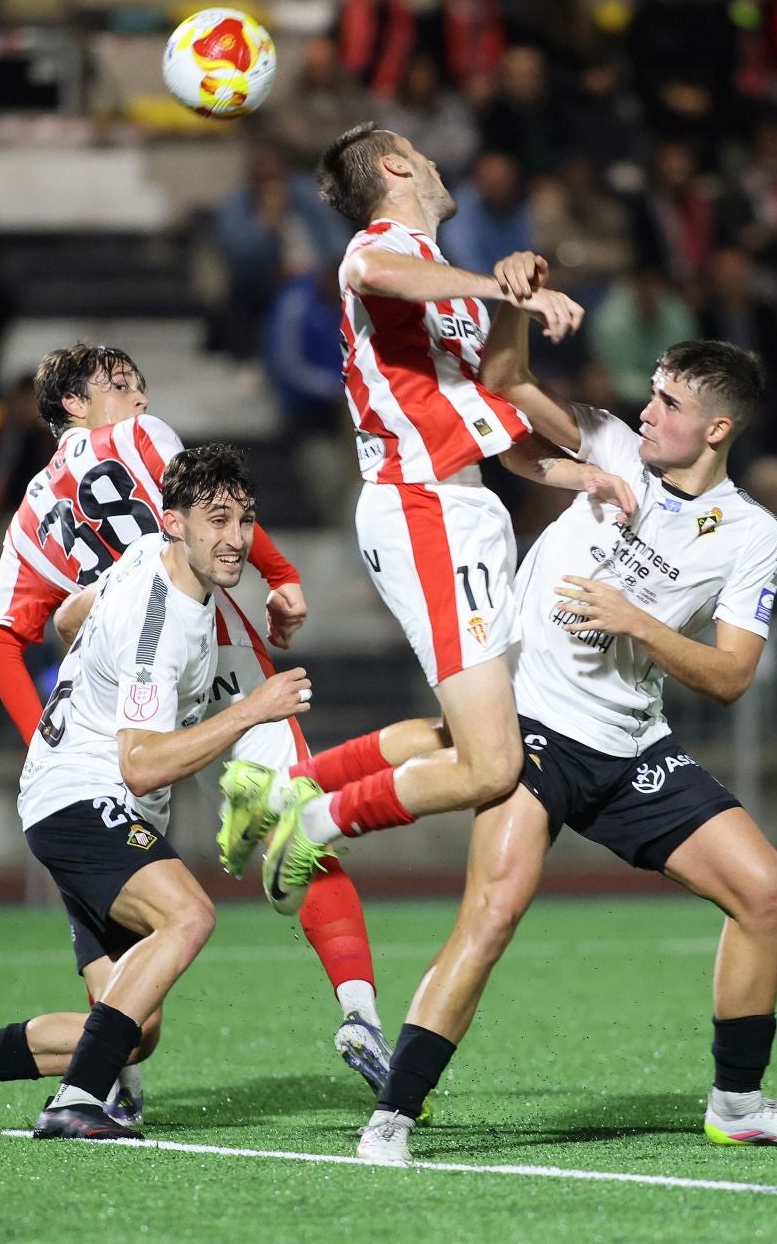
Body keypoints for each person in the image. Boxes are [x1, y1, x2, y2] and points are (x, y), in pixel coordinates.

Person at [0, 345, 398, 1137]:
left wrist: (44, 743)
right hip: (181, 674)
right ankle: (355, 1013)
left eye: (140, 385)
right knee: (283, 830)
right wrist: (281, 574)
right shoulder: (143, 442)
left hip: (109, 715)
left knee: (131, 1024)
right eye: (119, 385)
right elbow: (210, 511)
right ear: (73, 405)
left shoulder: (29, 520)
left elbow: (13, 638)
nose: (140, 396)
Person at [354, 339, 777, 1161]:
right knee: (492, 913)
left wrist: (636, 623)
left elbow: (731, 676)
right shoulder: (614, 447)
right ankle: (392, 1118)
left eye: (670, 404)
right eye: (651, 393)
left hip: (631, 745)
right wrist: (517, 300)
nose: (647, 412)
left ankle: (738, 1106)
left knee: (768, 896)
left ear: (718, 428)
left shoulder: (751, 532)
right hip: (532, 726)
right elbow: (508, 384)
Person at [216, 122, 591, 917]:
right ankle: (312, 822)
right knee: (493, 765)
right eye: (419, 152)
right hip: (423, 507)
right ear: (394, 166)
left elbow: (496, 424)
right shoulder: (382, 253)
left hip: (465, 506)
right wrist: (501, 288)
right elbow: (367, 268)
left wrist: (588, 473)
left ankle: (283, 788)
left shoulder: (440, 286)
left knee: (482, 733)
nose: (434, 161)